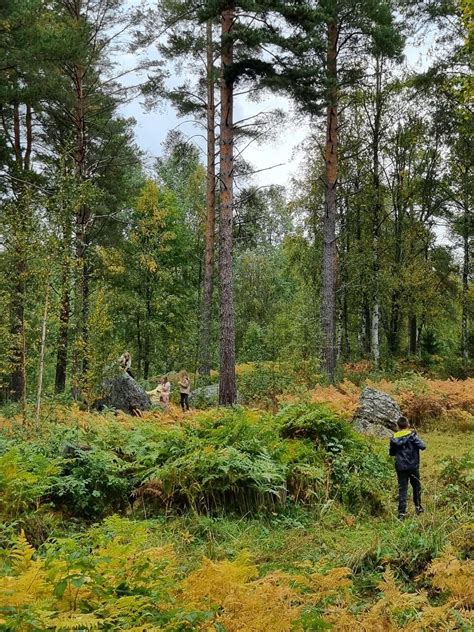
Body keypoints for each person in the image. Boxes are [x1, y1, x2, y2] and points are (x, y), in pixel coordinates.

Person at [389, 416, 426, 520]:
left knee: (402, 489)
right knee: (416, 487)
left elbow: (391, 453)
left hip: (400, 467)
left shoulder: (394, 438)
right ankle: (418, 507)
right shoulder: (412, 436)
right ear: (408, 425)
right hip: (413, 466)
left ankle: (402, 514)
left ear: (398, 426)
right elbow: (423, 446)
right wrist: (415, 436)